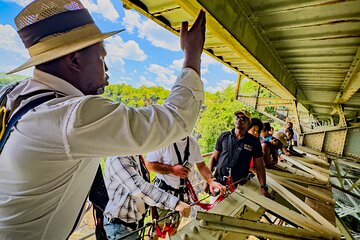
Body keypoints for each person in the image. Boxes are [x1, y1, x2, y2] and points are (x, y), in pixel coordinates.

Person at [0, 0, 206, 238]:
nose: (106, 72)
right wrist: (192, 54)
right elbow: (175, 119)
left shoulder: (13, 95)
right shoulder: (71, 116)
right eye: (101, 58)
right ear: (74, 60)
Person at [145, 136, 225, 235]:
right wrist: (171, 169)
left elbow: (201, 165)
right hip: (164, 193)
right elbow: (149, 165)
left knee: (174, 228)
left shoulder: (192, 142)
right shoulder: (164, 140)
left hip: (181, 194)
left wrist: (211, 181)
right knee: (157, 230)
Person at [103, 155, 190, 240]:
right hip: (120, 227)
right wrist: (175, 203)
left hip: (133, 223)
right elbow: (140, 187)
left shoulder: (135, 156)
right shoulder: (117, 158)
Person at [209, 110, 270, 197]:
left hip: (239, 186)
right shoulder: (224, 136)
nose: (239, 120)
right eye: (237, 117)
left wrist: (263, 186)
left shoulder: (253, 142)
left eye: (243, 118)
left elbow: (260, 166)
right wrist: (208, 180)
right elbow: (214, 158)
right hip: (218, 183)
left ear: (248, 123)